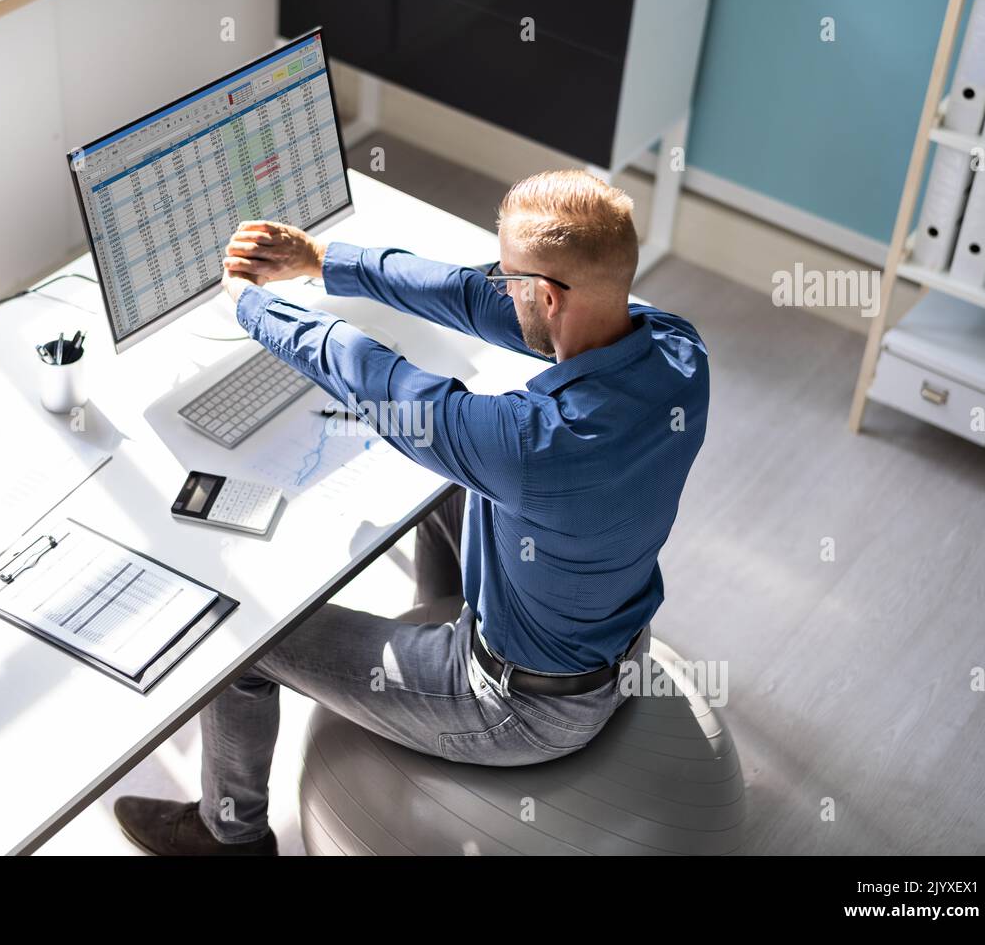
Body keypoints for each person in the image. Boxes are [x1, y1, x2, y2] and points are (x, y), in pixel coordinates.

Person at [113, 169, 709, 855]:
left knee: (247, 648)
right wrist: (323, 262)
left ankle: (228, 837)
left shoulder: (532, 445)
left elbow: (379, 379)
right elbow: (468, 295)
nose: (496, 286)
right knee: (453, 487)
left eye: (509, 278)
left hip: (520, 708)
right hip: (611, 640)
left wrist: (250, 308)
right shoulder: (677, 349)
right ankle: (443, 617)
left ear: (546, 296)